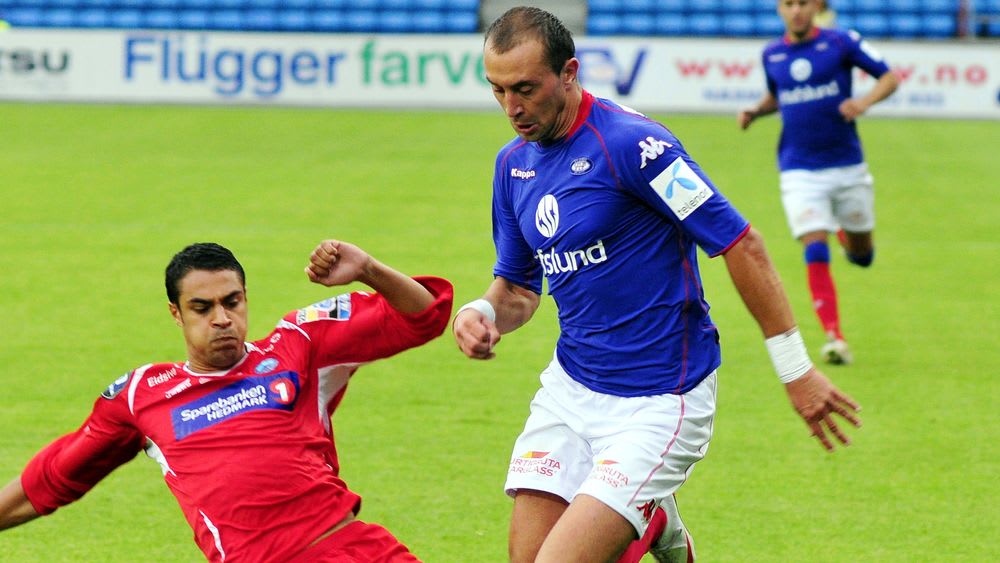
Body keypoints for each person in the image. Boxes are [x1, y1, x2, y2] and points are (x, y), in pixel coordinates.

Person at [453, 7, 862, 563]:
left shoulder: (636, 146)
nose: (512, 107)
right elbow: (519, 290)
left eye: (526, 88)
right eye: (498, 90)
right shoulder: (512, 167)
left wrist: (796, 370)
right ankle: (656, 517)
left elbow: (741, 243)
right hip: (572, 390)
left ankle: (645, 513)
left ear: (569, 73)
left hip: (661, 397)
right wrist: (481, 312)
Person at [0, 239, 453, 562]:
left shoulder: (298, 344)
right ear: (176, 313)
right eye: (202, 308)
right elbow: (51, 479)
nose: (221, 319)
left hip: (354, 549)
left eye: (232, 302)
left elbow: (425, 316)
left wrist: (369, 269)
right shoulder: (140, 396)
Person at [738, 0, 899, 365]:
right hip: (798, 170)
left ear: (816, 7)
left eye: (803, 3)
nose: (796, 11)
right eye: (789, 4)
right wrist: (756, 111)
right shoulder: (772, 54)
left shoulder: (841, 42)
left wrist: (863, 103)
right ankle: (834, 337)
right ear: (780, 9)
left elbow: (889, 77)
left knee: (863, 256)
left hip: (847, 166)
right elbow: (779, 96)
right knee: (814, 246)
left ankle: (846, 237)